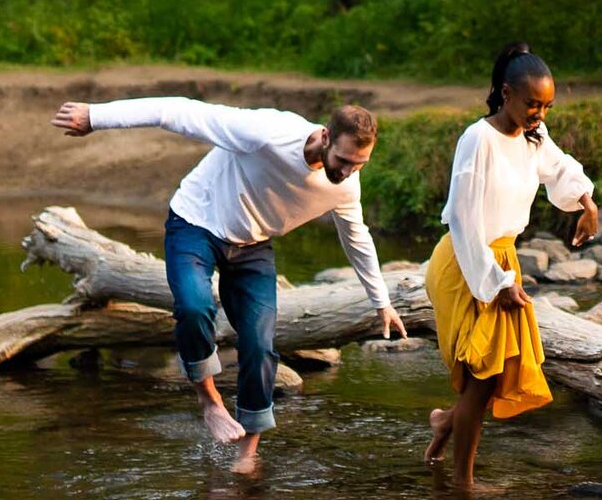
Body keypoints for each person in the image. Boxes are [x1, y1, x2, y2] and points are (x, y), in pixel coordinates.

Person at [51, 95, 407, 474]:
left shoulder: (346, 187)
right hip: (195, 223)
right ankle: (209, 402)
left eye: (359, 165)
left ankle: (247, 452)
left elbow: (357, 238)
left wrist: (381, 302)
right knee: (193, 306)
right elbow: (177, 111)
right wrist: (95, 116)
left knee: (260, 342)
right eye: (345, 161)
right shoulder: (267, 132)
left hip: (252, 246)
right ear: (325, 137)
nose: (350, 172)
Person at [423, 43, 599, 488]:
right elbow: (463, 220)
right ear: (506, 93)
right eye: (532, 104)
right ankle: (463, 483)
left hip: (502, 260)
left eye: (547, 106)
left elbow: (561, 169)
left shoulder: (534, 137)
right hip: (467, 262)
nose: (540, 113)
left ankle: (446, 423)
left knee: (494, 369)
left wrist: (587, 202)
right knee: (483, 373)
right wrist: (496, 281)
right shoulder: (477, 139)